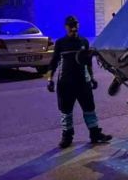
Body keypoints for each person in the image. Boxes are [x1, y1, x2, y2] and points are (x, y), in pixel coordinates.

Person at [47, 15, 112, 148]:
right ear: (66, 27)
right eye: (70, 25)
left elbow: (88, 63)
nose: (73, 28)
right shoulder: (60, 43)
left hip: (83, 82)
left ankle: (95, 134)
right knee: (66, 111)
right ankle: (67, 137)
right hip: (65, 83)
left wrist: (92, 78)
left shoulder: (84, 42)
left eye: (75, 25)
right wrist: (50, 79)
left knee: (89, 109)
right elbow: (53, 62)